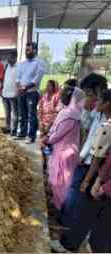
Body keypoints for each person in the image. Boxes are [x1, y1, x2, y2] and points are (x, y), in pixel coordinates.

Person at [53, 85, 111, 253]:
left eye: (100, 100)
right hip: (100, 174)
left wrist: (89, 180)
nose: (95, 102)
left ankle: (69, 245)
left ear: (108, 103)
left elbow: (98, 157)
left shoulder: (107, 126)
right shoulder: (100, 118)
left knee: (84, 212)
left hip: (96, 172)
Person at [59, 74, 107, 230]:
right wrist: (86, 110)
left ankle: (70, 227)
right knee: (74, 190)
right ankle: (65, 220)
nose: (87, 97)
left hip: (93, 164)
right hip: (85, 159)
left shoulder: (106, 117)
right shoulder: (97, 111)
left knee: (79, 195)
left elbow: (98, 146)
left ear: (98, 91)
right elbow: (87, 129)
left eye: (89, 93)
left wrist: (88, 176)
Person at [42, 85, 83, 211]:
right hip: (64, 150)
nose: (61, 96)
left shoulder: (70, 114)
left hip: (65, 153)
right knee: (62, 182)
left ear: (71, 97)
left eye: (65, 95)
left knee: (62, 183)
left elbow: (58, 133)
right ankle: (60, 206)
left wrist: (47, 139)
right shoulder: (69, 111)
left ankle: (62, 209)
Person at [16, 42, 46, 143]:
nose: (26, 51)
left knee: (31, 115)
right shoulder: (22, 64)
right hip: (21, 92)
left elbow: (36, 79)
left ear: (34, 50)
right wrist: (19, 87)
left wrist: (24, 88)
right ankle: (22, 134)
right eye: (26, 50)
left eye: (28, 50)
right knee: (22, 114)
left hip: (32, 93)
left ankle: (31, 136)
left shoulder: (39, 63)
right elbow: (18, 78)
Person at [39, 80, 62, 147]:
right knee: (42, 144)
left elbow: (56, 113)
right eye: (47, 85)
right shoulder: (44, 96)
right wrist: (40, 122)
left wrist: (49, 125)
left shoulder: (56, 97)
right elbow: (40, 109)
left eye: (49, 85)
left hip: (52, 125)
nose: (47, 87)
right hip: (43, 123)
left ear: (53, 87)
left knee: (49, 143)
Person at [2, 53, 20, 136]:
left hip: (14, 94)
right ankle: (8, 127)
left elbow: (19, 81)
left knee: (15, 113)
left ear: (15, 57)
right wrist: (1, 89)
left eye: (9, 57)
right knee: (7, 112)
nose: (8, 59)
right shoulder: (6, 66)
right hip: (5, 93)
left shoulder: (19, 67)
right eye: (7, 57)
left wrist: (18, 92)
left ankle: (14, 129)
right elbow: (3, 78)